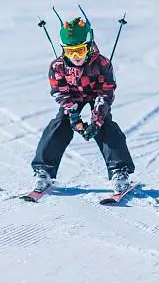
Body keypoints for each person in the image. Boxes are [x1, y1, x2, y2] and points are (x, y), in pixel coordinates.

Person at [30, 16, 135, 195]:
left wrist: (97, 120)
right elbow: (59, 92)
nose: (76, 56)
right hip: (72, 96)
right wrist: (74, 116)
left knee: (106, 127)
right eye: (70, 52)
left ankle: (119, 171)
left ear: (88, 46)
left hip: (96, 95)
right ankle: (44, 171)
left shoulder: (102, 64)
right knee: (59, 124)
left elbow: (106, 92)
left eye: (79, 50)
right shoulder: (58, 66)